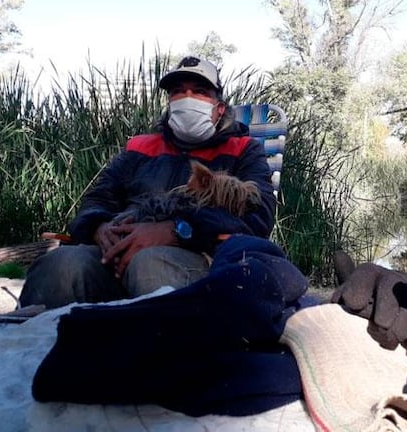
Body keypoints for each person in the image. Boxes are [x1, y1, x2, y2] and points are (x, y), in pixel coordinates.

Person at [20, 55, 277, 309]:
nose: (187, 98)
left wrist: (179, 230)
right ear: (169, 103)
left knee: (150, 264)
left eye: (199, 91)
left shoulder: (245, 149)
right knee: (62, 265)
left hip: (198, 256)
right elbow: (98, 198)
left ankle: (168, 347)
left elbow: (258, 220)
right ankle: (42, 344)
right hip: (114, 254)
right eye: (178, 91)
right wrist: (99, 227)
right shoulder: (140, 147)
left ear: (219, 108)